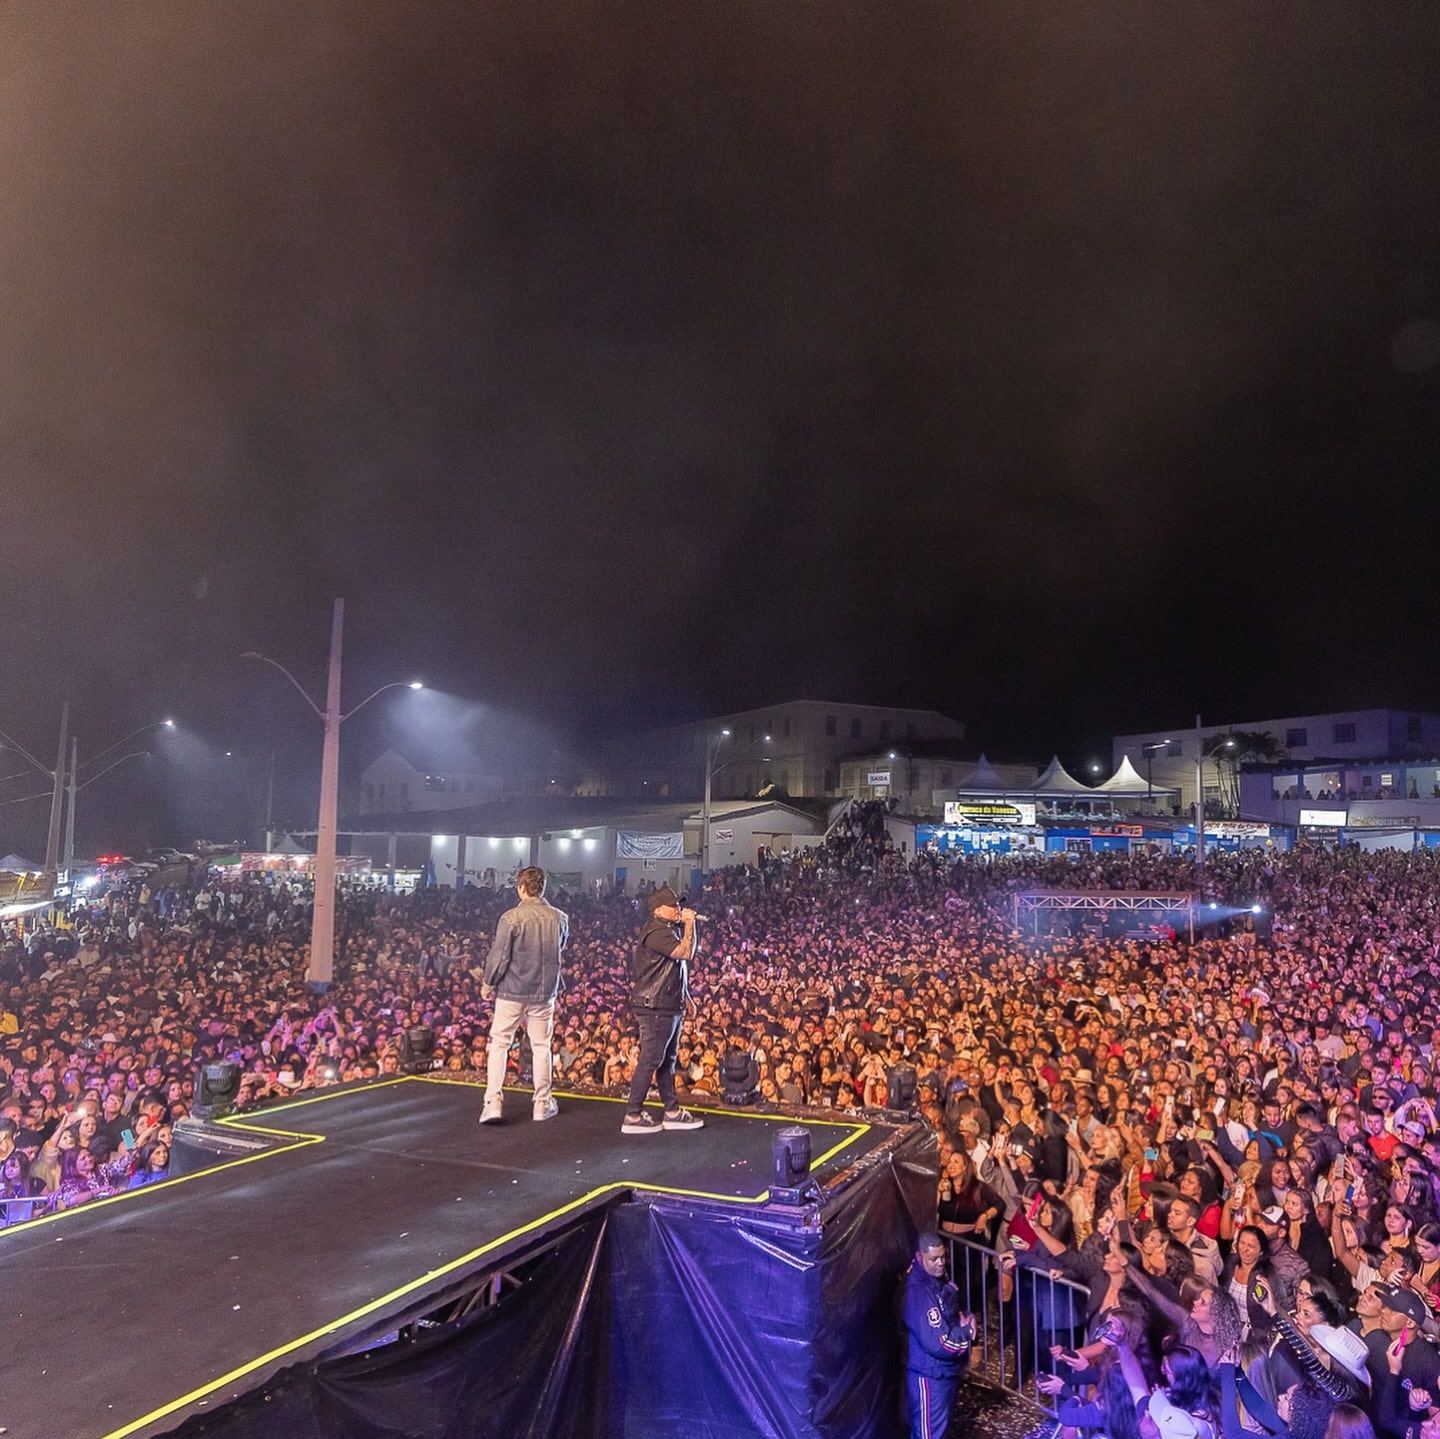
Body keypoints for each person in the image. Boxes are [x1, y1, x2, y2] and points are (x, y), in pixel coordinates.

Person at [479, 867, 568, 1125]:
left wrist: (488, 983)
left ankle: (493, 1103)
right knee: (541, 1046)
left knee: (500, 1043)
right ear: (542, 888)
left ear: (521, 887)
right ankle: (542, 1104)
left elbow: (500, 956)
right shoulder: (559, 917)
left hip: (511, 991)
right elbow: (559, 947)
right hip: (544, 992)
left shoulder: (510, 918)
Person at [621, 886, 704, 1135]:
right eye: (673, 905)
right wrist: (690, 924)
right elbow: (685, 952)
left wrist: (685, 995)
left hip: (667, 1003)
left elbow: (675, 968)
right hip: (654, 1005)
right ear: (658, 910)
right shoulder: (656, 931)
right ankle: (633, 1114)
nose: (678, 909)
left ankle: (672, 1111)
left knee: (667, 1060)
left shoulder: (666, 930)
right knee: (651, 1059)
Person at [903, 1230, 975, 1439]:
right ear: (919, 1257)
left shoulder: (936, 1278)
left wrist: (964, 1318)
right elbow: (940, 1342)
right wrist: (967, 1332)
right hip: (930, 1375)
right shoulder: (918, 1293)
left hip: (942, 1372)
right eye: (934, 1259)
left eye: (943, 1257)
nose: (941, 1263)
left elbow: (950, 1313)